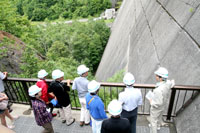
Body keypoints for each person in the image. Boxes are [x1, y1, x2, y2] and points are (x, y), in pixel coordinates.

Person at [148, 67, 175, 133]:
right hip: (163, 105)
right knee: (159, 117)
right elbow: (172, 83)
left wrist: (151, 102)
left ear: (161, 78)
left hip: (156, 108)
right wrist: (173, 81)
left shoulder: (158, 90)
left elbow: (158, 103)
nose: (155, 77)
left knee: (153, 121)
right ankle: (158, 126)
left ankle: (154, 130)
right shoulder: (168, 83)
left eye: (157, 76)